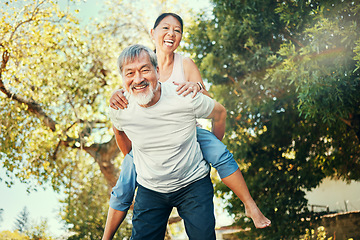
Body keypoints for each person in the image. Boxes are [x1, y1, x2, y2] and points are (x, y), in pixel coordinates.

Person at [104, 13, 270, 238]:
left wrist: (196, 89)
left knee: (220, 154)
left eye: (177, 30)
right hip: (149, 145)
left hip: (188, 129)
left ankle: (250, 204)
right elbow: (128, 105)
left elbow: (213, 105)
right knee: (125, 183)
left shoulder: (185, 64)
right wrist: (132, 152)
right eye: (165, 28)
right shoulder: (139, 62)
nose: (171, 33)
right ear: (153, 34)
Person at [106, 44, 226, 239]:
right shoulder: (120, 107)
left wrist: (211, 146)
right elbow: (118, 128)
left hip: (193, 182)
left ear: (157, 71)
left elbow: (219, 113)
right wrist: (131, 157)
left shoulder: (183, 96)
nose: (138, 79)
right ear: (122, 79)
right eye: (130, 73)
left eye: (145, 70)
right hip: (151, 189)